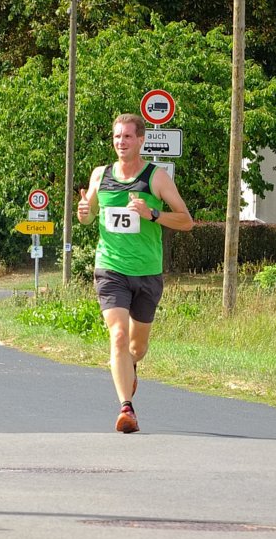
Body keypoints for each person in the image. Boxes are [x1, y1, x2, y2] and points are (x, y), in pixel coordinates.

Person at [77, 113, 194, 433]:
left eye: (127, 137)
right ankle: (126, 408)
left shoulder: (155, 179)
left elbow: (186, 220)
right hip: (110, 267)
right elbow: (89, 217)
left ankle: (131, 367)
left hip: (147, 272)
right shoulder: (100, 175)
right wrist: (84, 212)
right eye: (117, 137)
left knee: (136, 347)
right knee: (117, 334)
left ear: (141, 140)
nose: (121, 142)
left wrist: (152, 213)